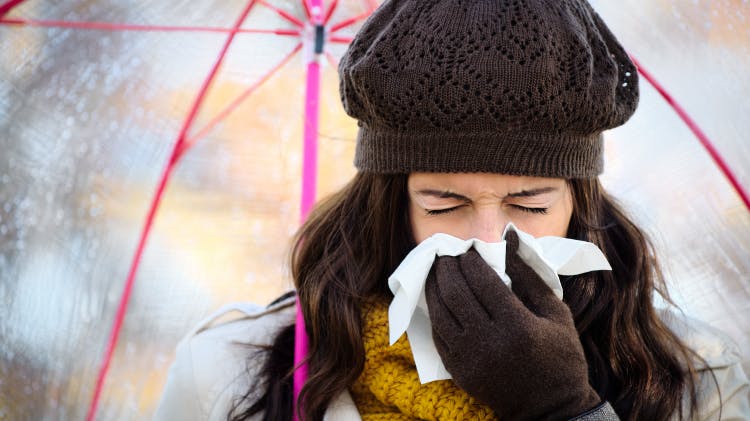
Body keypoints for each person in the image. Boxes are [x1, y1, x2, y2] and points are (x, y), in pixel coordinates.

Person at [154, 0, 750, 420]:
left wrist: (566, 410)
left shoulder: (695, 381)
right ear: (391, 204)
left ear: (579, 203)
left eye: (529, 203)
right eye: (445, 202)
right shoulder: (233, 376)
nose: (488, 240)